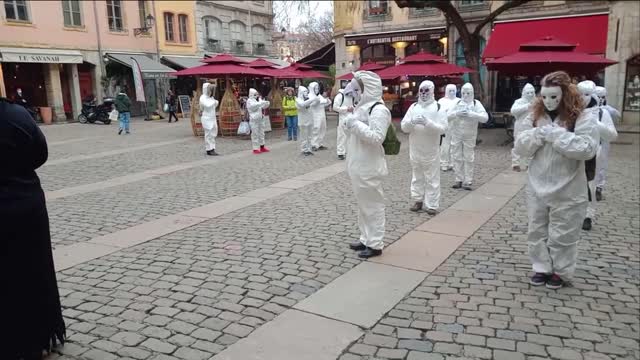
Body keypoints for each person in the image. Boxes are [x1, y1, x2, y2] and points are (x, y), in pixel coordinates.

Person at [514, 71, 599, 289]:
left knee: (564, 231)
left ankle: (561, 271)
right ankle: (541, 267)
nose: (549, 102)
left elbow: (587, 148)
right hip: (538, 182)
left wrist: (558, 135)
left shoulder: (582, 117)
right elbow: (521, 146)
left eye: (554, 97)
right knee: (536, 229)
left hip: (568, 185)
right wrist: (538, 135)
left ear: (565, 95)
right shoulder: (534, 116)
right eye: (544, 97)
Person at [1, 97, 66, 359]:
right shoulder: (16, 114)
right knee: (33, 270)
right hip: (23, 203)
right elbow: (40, 153)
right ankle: (37, 336)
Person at [342, 70, 391, 259]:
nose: (354, 92)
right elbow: (354, 135)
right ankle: (365, 238)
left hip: (370, 166)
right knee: (363, 206)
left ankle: (375, 243)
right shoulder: (361, 108)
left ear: (367, 88)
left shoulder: (379, 109)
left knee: (373, 206)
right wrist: (348, 126)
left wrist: (354, 125)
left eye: (358, 88)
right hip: (358, 164)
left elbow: (377, 137)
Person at [401, 80, 448, 215]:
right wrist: (412, 122)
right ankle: (417, 200)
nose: (423, 93)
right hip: (415, 148)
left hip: (431, 150)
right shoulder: (414, 107)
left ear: (432, 91)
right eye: (421, 90)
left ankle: (432, 204)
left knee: (432, 177)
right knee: (417, 176)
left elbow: (443, 128)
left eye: (426, 90)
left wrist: (428, 123)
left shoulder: (438, 107)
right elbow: (404, 127)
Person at [577, 81, 617, 231]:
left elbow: (612, 135)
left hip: (594, 154)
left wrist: (596, 124)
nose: (582, 98)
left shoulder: (602, 113)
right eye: (579, 94)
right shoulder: (571, 112)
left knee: (589, 186)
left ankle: (588, 215)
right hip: (574, 153)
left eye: (586, 94)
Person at [447, 83, 488, 190]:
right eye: (463, 93)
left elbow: (485, 118)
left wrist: (472, 114)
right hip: (457, 134)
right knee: (456, 156)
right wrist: (457, 113)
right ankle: (458, 179)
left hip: (470, 135)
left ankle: (468, 180)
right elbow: (446, 116)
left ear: (472, 93)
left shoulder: (476, 104)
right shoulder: (457, 103)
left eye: (468, 93)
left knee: (468, 157)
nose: (465, 95)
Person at [594, 86, 620, 201]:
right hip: (591, 140)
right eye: (598, 96)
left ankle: (598, 188)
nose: (600, 99)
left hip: (603, 141)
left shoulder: (607, 110)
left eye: (602, 97)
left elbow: (616, 117)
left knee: (601, 164)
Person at [510, 83, 536, 171]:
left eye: (532, 92)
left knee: (531, 145)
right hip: (520, 126)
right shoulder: (519, 102)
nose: (530, 94)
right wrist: (526, 107)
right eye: (528, 93)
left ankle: (528, 163)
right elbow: (513, 111)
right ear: (524, 93)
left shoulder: (536, 101)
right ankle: (516, 163)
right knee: (517, 144)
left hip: (531, 126)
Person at [437, 84, 458, 171]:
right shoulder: (441, 101)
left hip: (456, 127)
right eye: (450, 90)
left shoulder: (459, 101)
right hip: (445, 127)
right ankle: (443, 162)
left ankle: (453, 163)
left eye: (453, 90)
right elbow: (438, 113)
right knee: (444, 146)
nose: (452, 92)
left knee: (455, 145)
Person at [333, 86, 355, 160]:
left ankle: (349, 151)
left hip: (351, 118)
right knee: (341, 136)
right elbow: (335, 107)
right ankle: (341, 152)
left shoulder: (352, 96)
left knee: (350, 136)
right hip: (342, 118)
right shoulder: (340, 96)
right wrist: (346, 109)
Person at [246, 88, 270, 154]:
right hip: (254, 120)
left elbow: (263, 106)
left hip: (261, 118)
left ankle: (262, 146)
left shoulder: (259, 99)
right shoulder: (249, 101)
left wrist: (266, 104)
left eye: (257, 94)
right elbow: (253, 107)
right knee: (255, 134)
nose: (257, 95)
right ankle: (255, 148)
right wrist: (261, 103)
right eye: (255, 94)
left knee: (262, 133)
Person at [308, 81, 330, 151]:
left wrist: (327, 102)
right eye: (315, 88)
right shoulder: (310, 96)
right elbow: (311, 105)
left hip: (322, 114)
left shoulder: (319, 96)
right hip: (315, 115)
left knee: (323, 128)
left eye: (317, 88)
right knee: (316, 129)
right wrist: (318, 101)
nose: (317, 90)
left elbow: (323, 103)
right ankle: (313, 144)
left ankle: (319, 143)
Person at [296, 85, 317, 156]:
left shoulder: (308, 99)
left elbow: (313, 104)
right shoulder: (298, 100)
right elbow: (302, 105)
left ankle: (309, 149)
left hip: (309, 120)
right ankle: (304, 149)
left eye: (306, 91)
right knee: (304, 136)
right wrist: (312, 99)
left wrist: (315, 99)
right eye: (304, 91)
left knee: (309, 136)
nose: (306, 93)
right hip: (302, 121)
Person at [199, 82, 219, 156]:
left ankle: (212, 148)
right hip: (207, 118)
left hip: (212, 117)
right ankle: (209, 149)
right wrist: (214, 102)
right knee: (208, 133)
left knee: (213, 133)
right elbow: (207, 105)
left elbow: (215, 104)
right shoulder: (203, 97)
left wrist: (213, 101)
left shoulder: (211, 98)